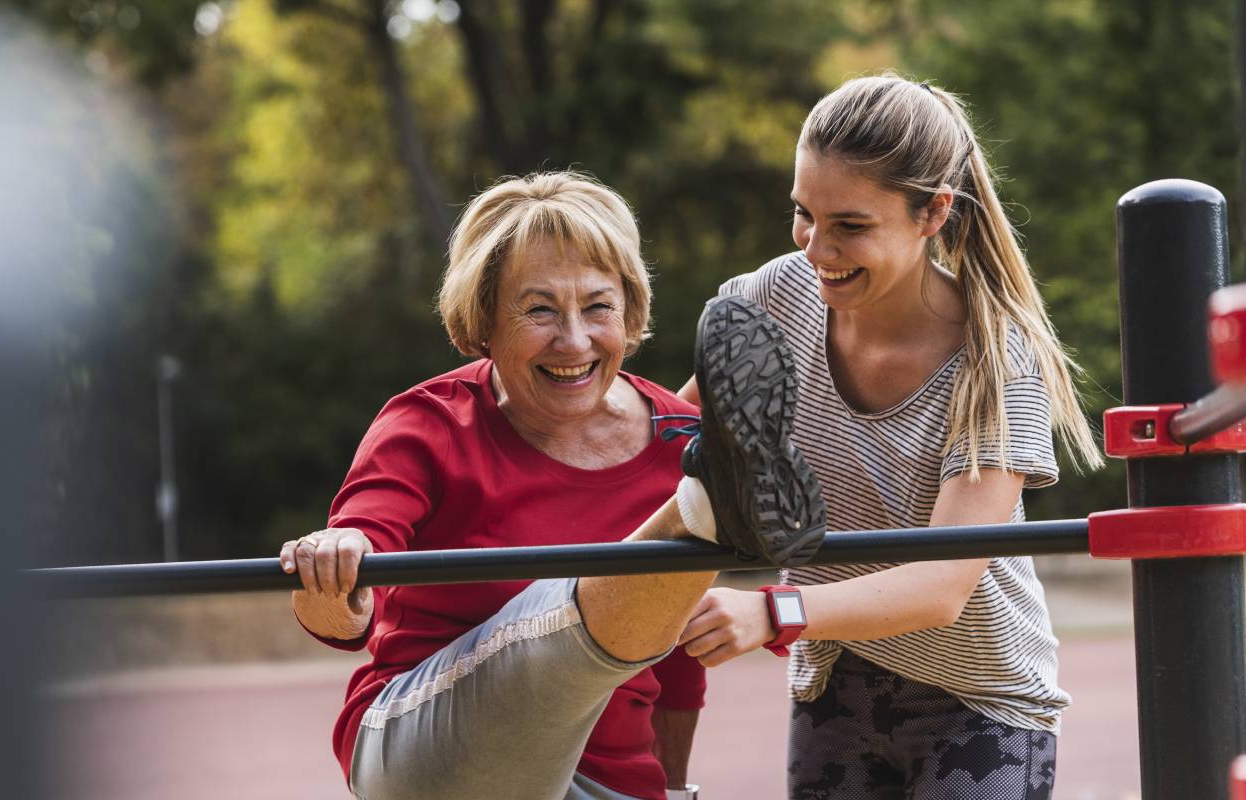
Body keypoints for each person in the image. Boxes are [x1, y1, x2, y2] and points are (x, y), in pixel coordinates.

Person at [279, 171, 827, 800]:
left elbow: (675, 668)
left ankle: (697, 519)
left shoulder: (678, 441)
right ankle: (699, 515)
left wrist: (674, 790)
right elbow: (346, 590)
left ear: (630, 313)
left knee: (654, 583)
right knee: (565, 608)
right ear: (480, 323)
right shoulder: (429, 423)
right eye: (539, 310)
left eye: (598, 307)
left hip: (600, 784)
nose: (574, 340)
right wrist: (332, 570)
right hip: (431, 758)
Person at [672, 74, 1104, 799]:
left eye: (850, 224)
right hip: (835, 682)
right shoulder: (775, 299)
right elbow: (668, 436)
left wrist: (770, 609)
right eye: (803, 214)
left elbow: (942, 586)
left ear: (933, 212)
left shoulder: (996, 357)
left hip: (981, 704)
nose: (816, 248)